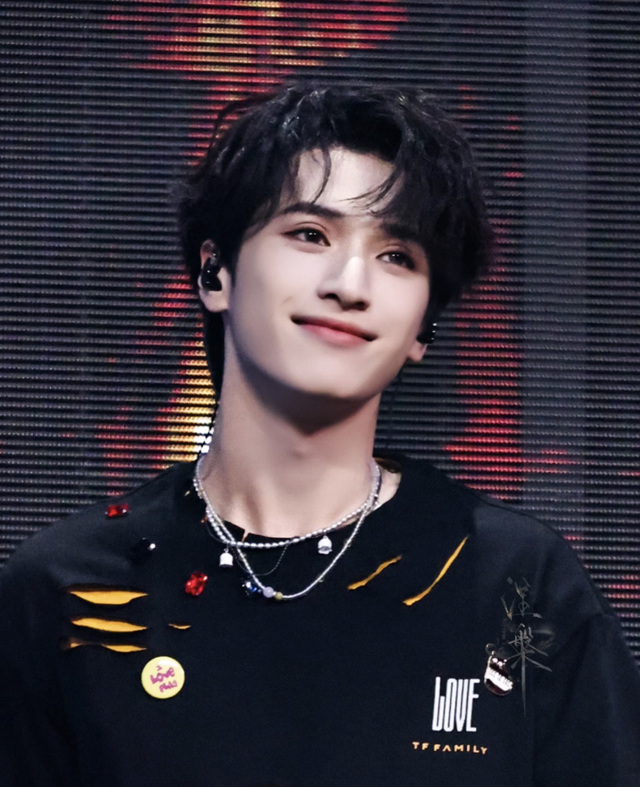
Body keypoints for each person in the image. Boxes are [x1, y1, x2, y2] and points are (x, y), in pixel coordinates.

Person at [1, 83, 639, 787]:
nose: (350, 284)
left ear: (424, 327)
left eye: (398, 255)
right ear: (215, 271)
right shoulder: (65, 587)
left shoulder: (517, 585)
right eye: (311, 234)